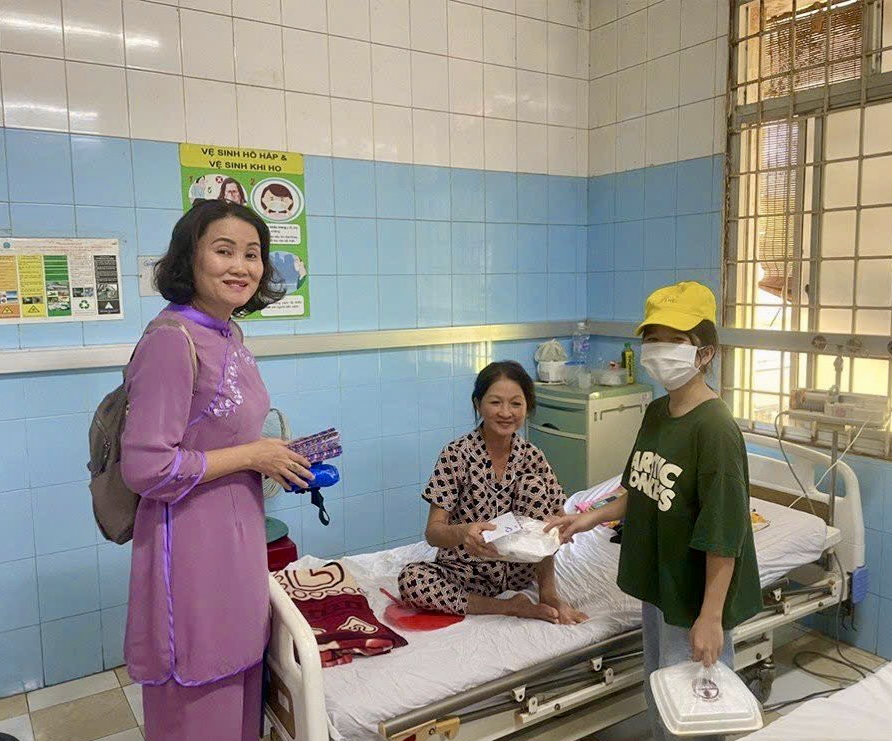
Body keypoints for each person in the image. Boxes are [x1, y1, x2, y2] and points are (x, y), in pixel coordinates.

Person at [121, 199, 314, 741]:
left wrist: (274, 454)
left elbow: (220, 434)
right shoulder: (171, 340)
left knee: (240, 683)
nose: (241, 266)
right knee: (201, 695)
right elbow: (147, 466)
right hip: (189, 549)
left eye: (252, 254)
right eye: (224, 251)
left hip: (237, 540)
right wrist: (254, 456)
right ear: (190, 257)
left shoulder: (228, 334)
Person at [546, 281, 762, 741]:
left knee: (695, 715)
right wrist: (585, 519)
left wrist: (710, 617)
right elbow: (641, 489)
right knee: (662, 695)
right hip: (660, 582)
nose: (661, 349)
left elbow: (726, 534)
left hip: (693, 593)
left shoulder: (716, 429)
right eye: (653, 338)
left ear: (705, 352)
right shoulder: (658, 412)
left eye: (675, 339)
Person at [398, 361, 588, 624]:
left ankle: (546, 595)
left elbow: (555, 520)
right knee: (412, 580)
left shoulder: (533, 456)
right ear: (478, 404)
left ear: (527, 407)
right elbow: (433, 533)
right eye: (496, 402)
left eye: (516, 403)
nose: (506, 412)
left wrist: (561, 529)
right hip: (467, 571)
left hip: (520, 570)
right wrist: (463, 532)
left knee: (533, 485)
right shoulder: (456, 455)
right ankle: (507, 606)